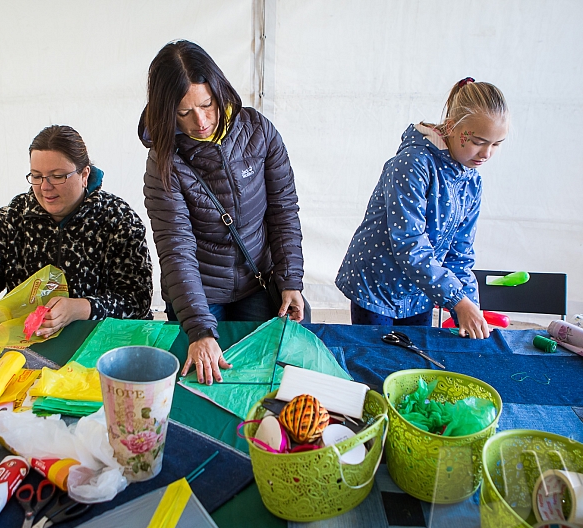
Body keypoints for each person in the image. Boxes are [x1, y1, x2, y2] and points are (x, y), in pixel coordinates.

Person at [139, 40, 306, 384]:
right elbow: (176, 249)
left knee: (262, 376)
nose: (200, 121)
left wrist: (290, 279)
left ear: (219, 91)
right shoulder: (163, 162)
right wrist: (199, 329)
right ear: (165, 110)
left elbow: (283, 209)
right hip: (197, 292)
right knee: (203, 380)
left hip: (256, 281)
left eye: (207, 104)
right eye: (183, 113)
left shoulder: (258, 132)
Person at [335, 78, 509, 339]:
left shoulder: (472, 181)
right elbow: (408, 242)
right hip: (377, 286)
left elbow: (460, 252)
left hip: (422, 289)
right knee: (376, 359)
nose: (486, 153)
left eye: (496, 144)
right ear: (451, 127)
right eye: (478, 141)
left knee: (417, 360)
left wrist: (470, 305)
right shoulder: (412, 164)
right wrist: (456, 300)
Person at [0, 125, 154, 336]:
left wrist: (80, 308)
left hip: (98, 344)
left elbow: (137, 300)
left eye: (57, 176)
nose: (45, 187)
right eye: (37, 176)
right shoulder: (13, 217)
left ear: (84, 174)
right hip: (24, 344)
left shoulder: (117, 218)